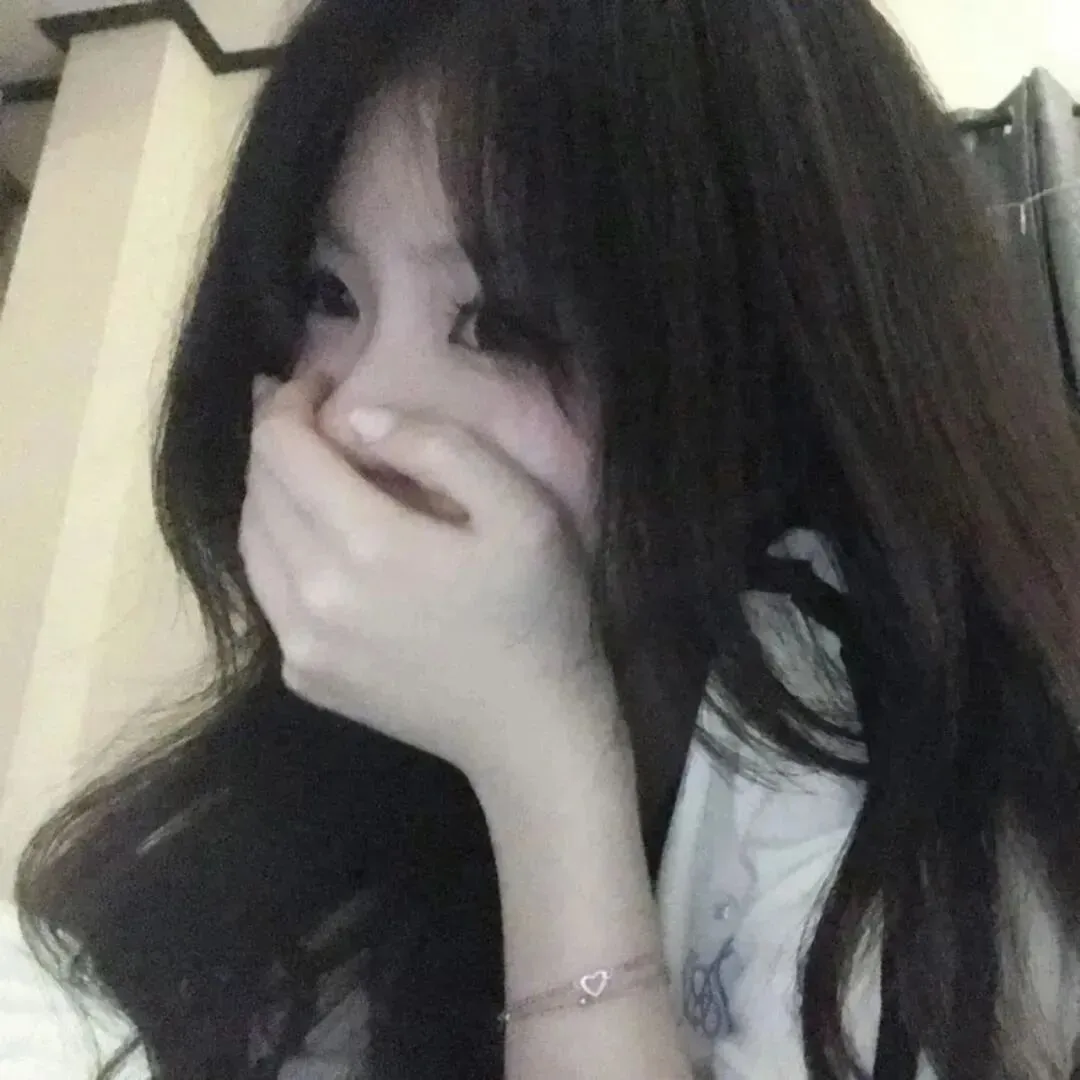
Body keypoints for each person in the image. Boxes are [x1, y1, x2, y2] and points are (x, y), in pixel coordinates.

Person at [10, 0, 1080, 1077]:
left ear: (772, 361)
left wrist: (542, 770)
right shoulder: (337, 769)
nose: (352, 408)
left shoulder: (953, 810)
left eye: (501, 323)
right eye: (330, 293)